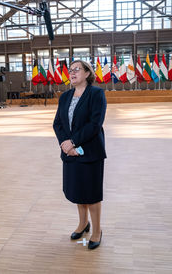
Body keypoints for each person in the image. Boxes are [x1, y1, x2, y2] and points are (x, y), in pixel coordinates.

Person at [53, 59, 107, 250]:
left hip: (90, 151)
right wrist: (66, 145)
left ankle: (97, 230)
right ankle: (83, 224)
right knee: (78, 192)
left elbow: (94, 124)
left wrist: (73, 142)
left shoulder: (96, 94)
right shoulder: (65, 97)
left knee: (91, 194)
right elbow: (58, 124)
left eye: (77, 69)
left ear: (87, 73)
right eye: (70, 70)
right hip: (69, 152)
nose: (72, 73)